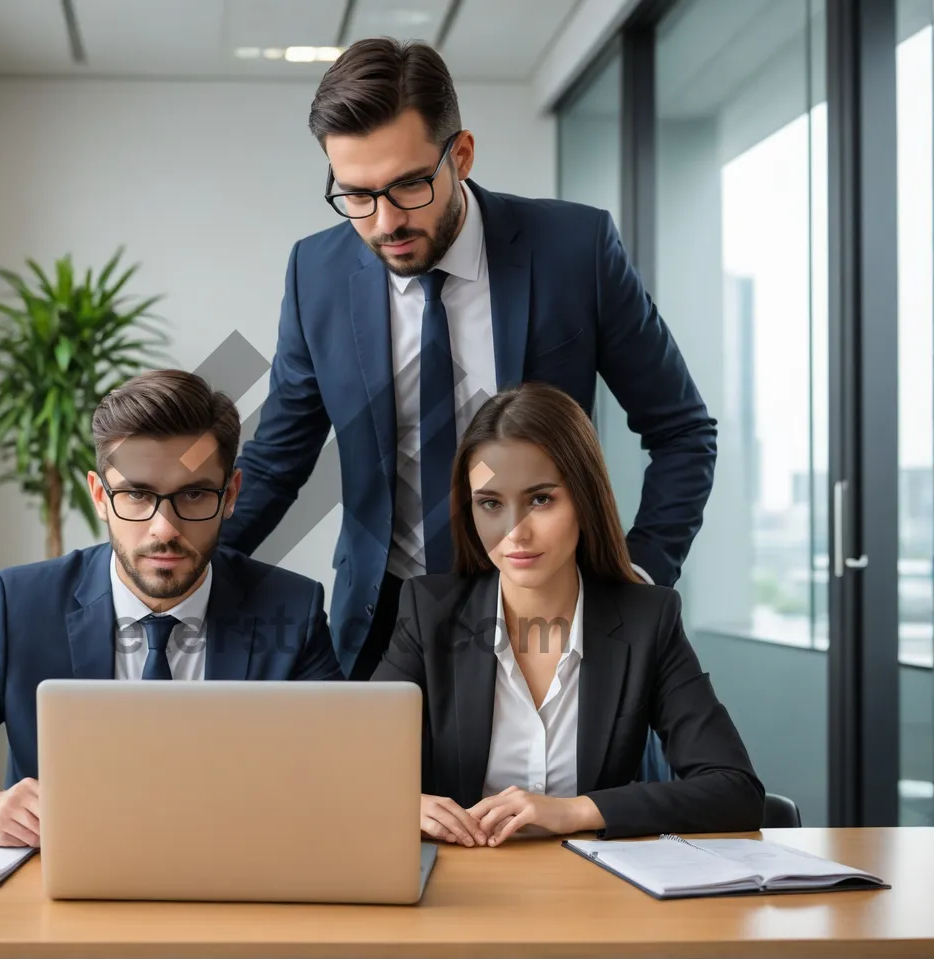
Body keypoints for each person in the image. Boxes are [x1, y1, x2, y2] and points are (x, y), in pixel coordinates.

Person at [219, 37, 717, 683]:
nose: (383, 222)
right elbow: (277, 459)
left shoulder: (576, 251)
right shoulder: (316, 272)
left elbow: (682, 429)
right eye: (356, 195)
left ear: (462, 154)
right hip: (385, 624)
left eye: (409, 185)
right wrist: (174, 571)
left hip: (555, 611)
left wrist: (638, 579)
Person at [0, 370, 343, 846]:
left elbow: (347, 775)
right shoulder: (22, 608)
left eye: (193, 495)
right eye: (137, 496)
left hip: (237, 888)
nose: (164, 528)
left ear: (230, 496)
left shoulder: (292, 609)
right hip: (60, 904)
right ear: (99, 496)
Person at [372, 382, 762, 844]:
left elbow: (734, 789)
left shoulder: (646, 618)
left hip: (595, 893)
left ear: (585, 499)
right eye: (491, 504)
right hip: (463, 893)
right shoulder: (428, 612)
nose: (515, 532)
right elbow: (347, 769)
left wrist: (577, 811)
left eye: (540, 499)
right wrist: (402, 803)